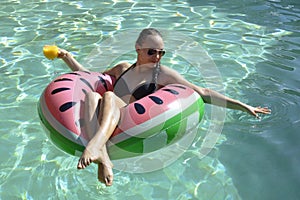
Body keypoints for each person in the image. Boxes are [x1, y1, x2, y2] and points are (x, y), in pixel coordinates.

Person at [57, 28, 271, 186]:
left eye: (161, 52)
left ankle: (95, 147)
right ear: (138, 49)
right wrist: (68, 58)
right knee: (94, 95)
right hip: (106, 112)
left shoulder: (163, 74)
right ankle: (103, 158)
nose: (157, 57)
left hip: (129, 119)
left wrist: (244, 106)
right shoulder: (122, 67)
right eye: (152, 52)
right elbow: (89, 77)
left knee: (109, 97)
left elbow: (203, 93)